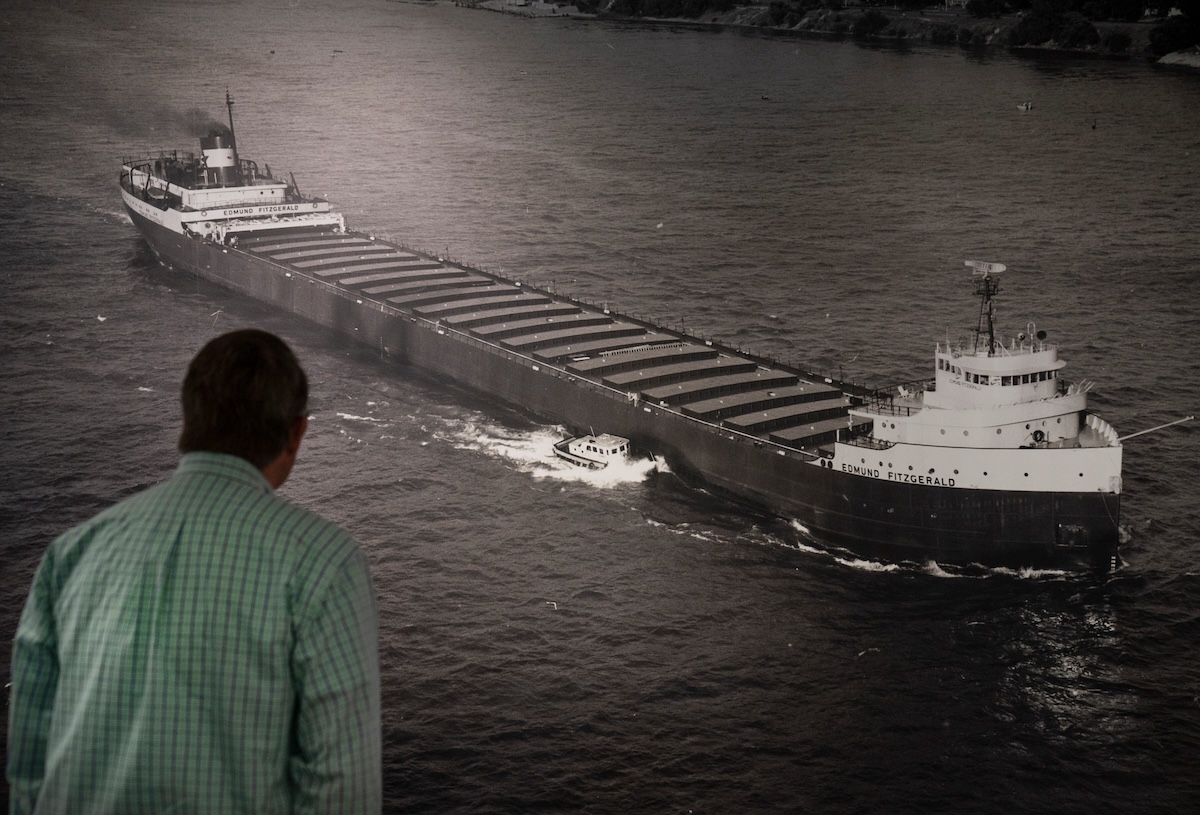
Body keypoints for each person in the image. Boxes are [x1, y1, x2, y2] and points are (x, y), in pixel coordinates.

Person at [8, 329, 382, 814]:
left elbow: (28, 772)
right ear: (297, 432)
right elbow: (343, 790)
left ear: (190, 418)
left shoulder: (71, 553)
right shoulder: (326, 563)